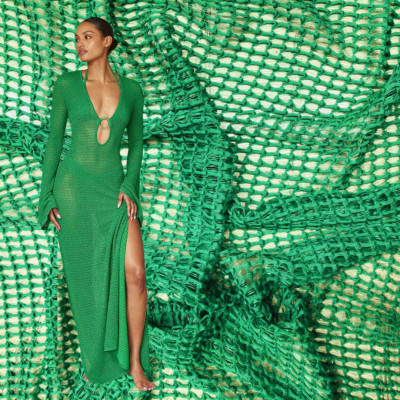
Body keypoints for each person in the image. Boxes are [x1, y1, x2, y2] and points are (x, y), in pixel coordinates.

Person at [37, 17, 155, 391]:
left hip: (114, 192)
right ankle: (95, 361)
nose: (79, 44)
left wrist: (130, 185)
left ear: (107, 42)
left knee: (136, 275)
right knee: (88, 281)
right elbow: (54, 142)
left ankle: (134, 363)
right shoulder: (67, 85)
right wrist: (46, 195)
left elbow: (137, 145)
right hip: (73, 190)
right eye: (76, 39)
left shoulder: (132, 91)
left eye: (87, 37)